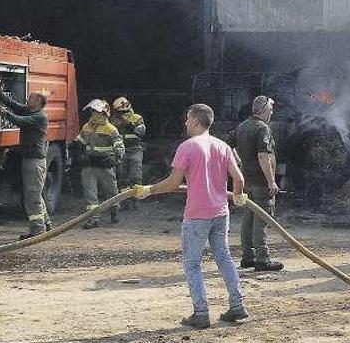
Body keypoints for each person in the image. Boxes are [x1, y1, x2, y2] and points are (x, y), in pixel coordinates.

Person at [133, 104, 248, 329]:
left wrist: (148, 190)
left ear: (196, 120)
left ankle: (201, 313)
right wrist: (237, 196)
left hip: (197, 215)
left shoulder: (187, 147)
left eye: (187, 119)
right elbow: (239, 178)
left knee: (192, 264)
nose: (185, 123)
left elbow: (173, 183)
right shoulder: (223, 146)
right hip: (220, 212)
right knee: (224, 258)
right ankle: (237, 306)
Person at [231, 96, 283, 271]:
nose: (272, 112)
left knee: (249, 216)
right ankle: (262, 259)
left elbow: (226, 146)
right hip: (261, 181)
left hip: (247, 179)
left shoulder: (242, 126)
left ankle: (248, 257)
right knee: (262, 218)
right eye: (270, 109)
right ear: (263, 110)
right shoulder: (263, 128)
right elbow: (263, 155)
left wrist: (239, 164)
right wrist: (271, 182)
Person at [0, 90, 50, 239]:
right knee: (35, 193)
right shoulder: (31, 112)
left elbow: (20, 121)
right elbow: (14, 106)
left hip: (34, 161)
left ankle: (38, 229)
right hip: (31, 159)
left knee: (32, 195)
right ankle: (45, 223)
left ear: (38, 102)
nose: (28, 98)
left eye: (32, 97)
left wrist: (4, 113)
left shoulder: (39, 117)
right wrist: (0, 93)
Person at [73, 99, 124, 229]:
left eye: (97, 111)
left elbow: (119, 147)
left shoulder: (110, 129)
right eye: (93, 111)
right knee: (90, 195)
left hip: (105, 165)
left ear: (104, 113)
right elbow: (80, 142)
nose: (94, 114)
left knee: (111, 191)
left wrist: (114, 159)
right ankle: (93, 219)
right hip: (89, 165)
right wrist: (78, 154)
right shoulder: (87, 127)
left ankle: (114, 211)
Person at [111, 96, 146, 210]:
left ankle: (136, 200)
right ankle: (125, 200)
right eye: (120, 112)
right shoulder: (113, 120)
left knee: (136, 176)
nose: (123, 114)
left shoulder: (137, 118)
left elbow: (141, 131)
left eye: (124, 111)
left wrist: (130, 124)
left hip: (135, 149)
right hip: (121, 151)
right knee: (122, 177)